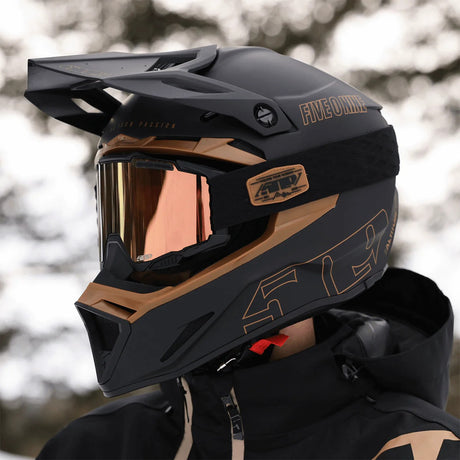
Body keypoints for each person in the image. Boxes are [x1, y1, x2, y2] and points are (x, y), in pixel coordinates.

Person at [26, 45, 459, 459]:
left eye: (173, 218)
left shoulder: (417, 451)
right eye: (124, 216)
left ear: (293, 213)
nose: (126, 256)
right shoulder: (93, 448)